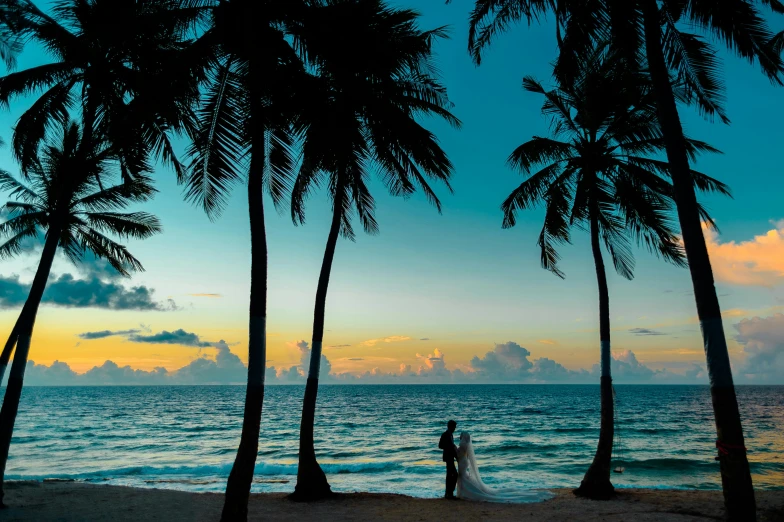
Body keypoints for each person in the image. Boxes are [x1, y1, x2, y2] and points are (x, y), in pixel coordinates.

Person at [455, 432, 554, 503]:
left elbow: (459, 452)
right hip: (464, 461)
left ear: (463, 437)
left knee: (462, 477)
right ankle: (462, 493)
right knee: (463, 477)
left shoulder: (463, 444)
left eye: (461, 436)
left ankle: (463, 494)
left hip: (463, 462)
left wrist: (454, 449)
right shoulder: (466, 444)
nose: (460, 437)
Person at [438, 420, 459, 499]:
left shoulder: (450, 435)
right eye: (454, 427)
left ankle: (449, 493)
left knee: (451, 475)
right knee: (452, 475)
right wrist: (450, 447)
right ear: (451, 427)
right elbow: (440, 445)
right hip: (448, 457)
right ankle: (449, 493)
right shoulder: (445, 435)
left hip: (450, 457)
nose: (455, 429)